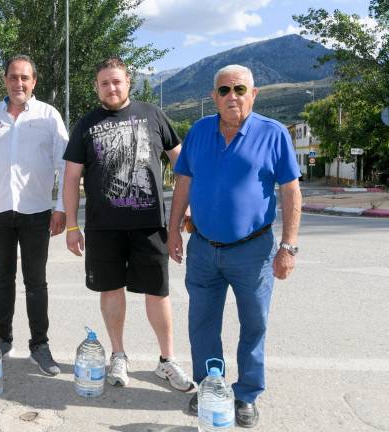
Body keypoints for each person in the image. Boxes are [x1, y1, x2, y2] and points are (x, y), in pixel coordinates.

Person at [167, 64, 301, 428]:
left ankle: (246, 394)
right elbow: (183, 182)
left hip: (252, 252)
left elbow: (291, 191)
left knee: (253, 324)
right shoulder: (198, 131)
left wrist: (288, 247)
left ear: (253, 94)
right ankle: (211, 387)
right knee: (202, 324)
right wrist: (173, 229)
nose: (232, 97)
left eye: (239, 89)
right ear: (214, 97)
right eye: (224, 90)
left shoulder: (273, 134)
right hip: (203, 249)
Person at [63, 57, 194, 392]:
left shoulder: (152, 114)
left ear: (128, 81)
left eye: (117, 81)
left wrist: (186, 210)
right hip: (102, 227)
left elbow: (183, 162)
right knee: (111, 289)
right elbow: (71, 177)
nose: (112, 88)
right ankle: (118, 354)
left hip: (149, 224)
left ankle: (167, 360)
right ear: (97, 86)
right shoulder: (86, 124)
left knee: (158, 292)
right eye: (105, 83)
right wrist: (72, 227)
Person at [0, 54, 68, 376]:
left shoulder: (49, 116)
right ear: (5, 80)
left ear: (34, 82)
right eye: (13, 77)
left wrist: (62, 207)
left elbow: (64, 164)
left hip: (37, 212)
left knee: (36, 282)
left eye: (25, 78)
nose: (18, 83)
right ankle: (2, 339)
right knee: (2, 279)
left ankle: (40, 345)